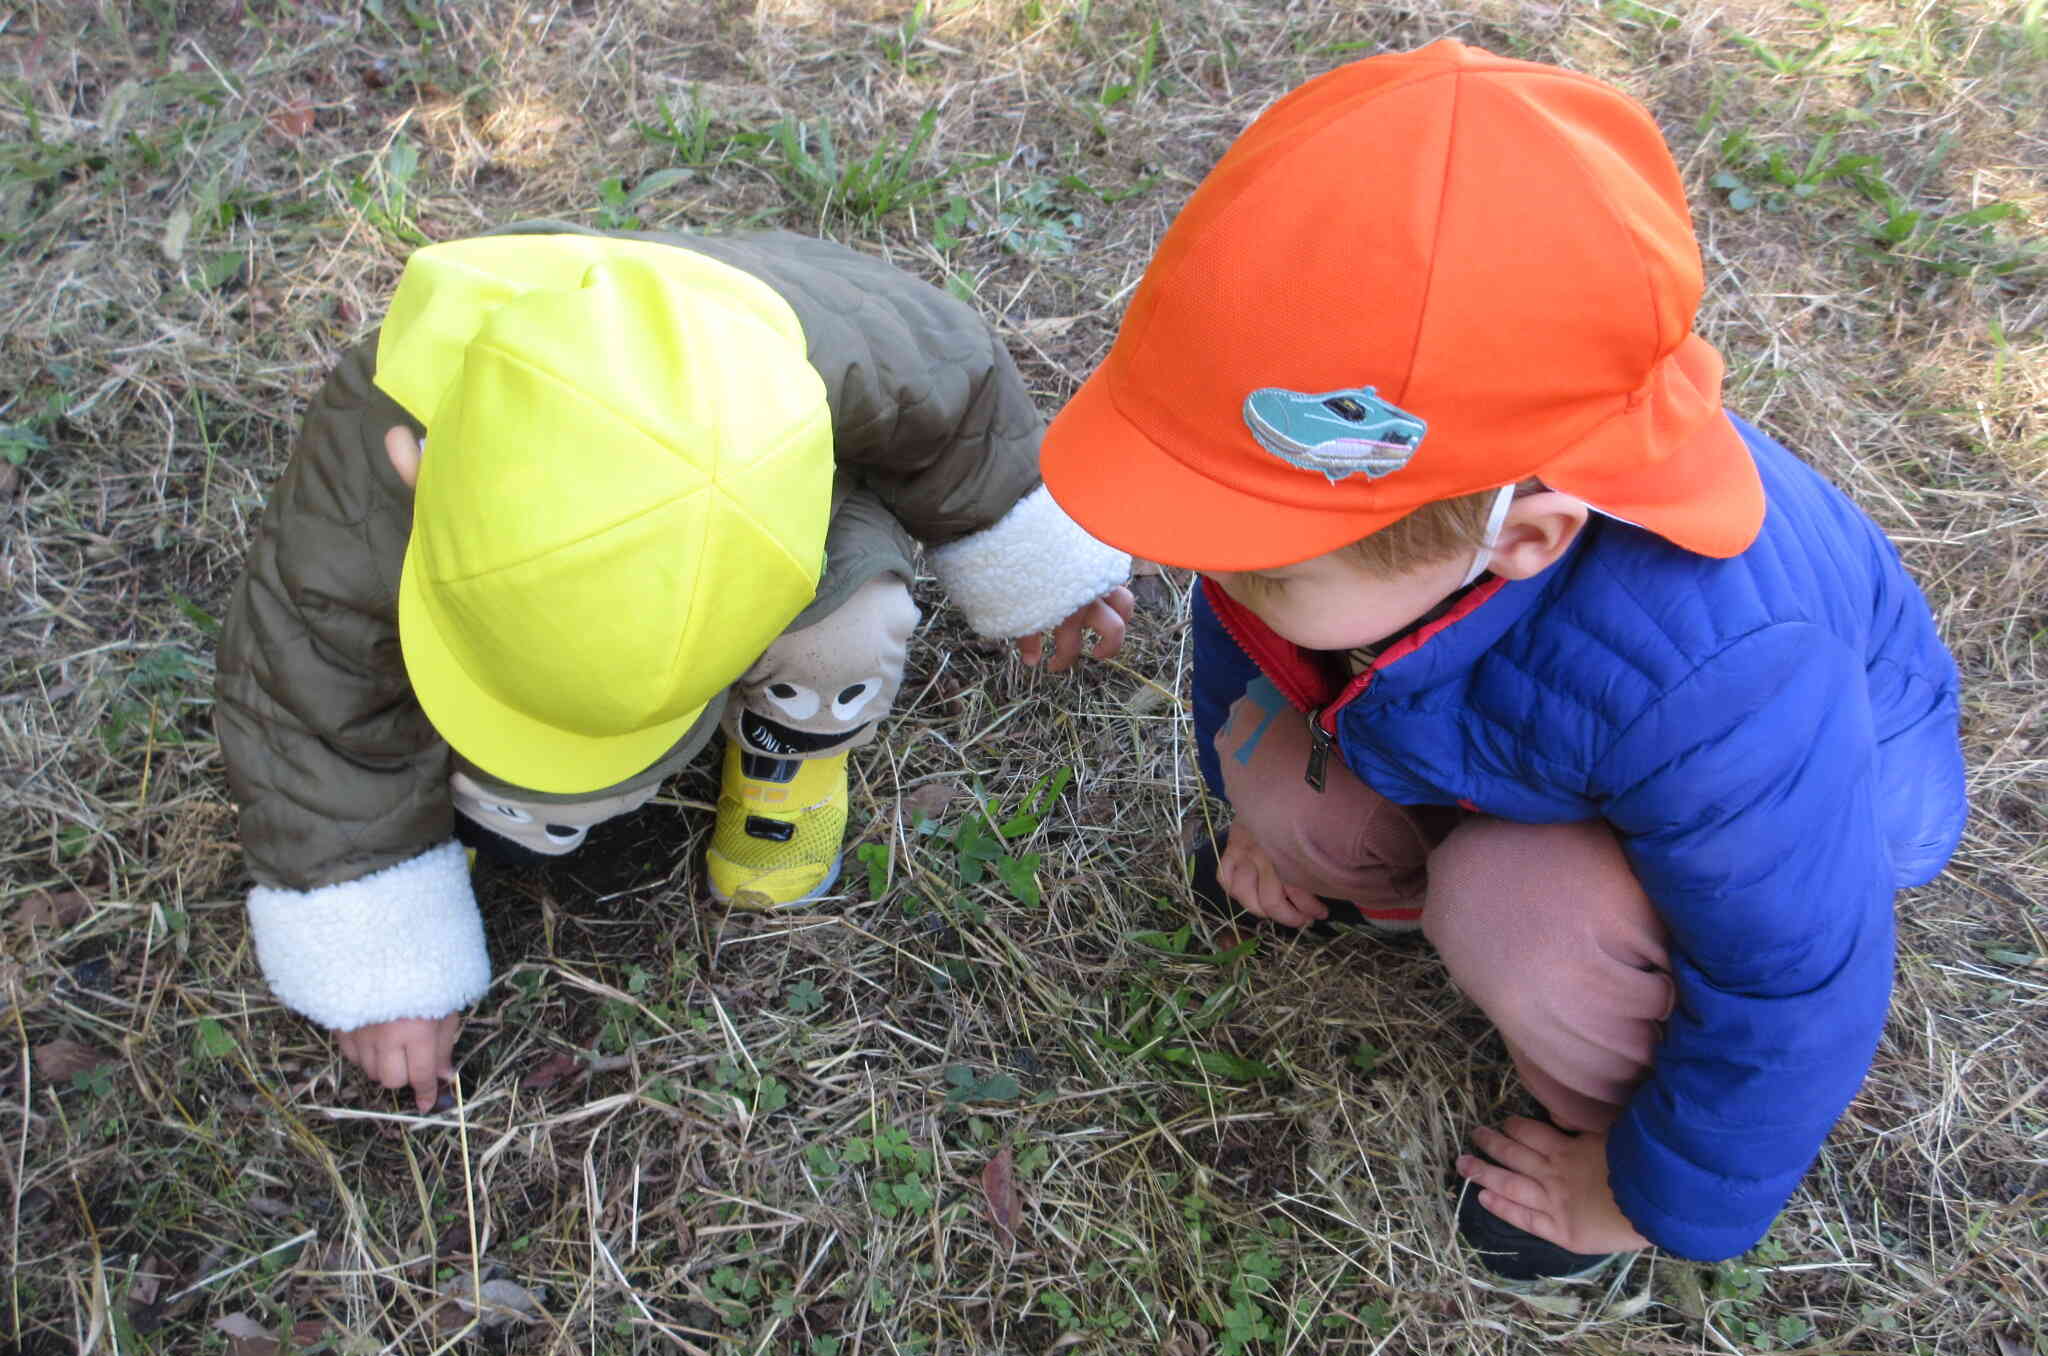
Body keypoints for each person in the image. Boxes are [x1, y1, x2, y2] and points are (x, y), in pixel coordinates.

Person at [1038, 40, 1965, 1277]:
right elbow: (1249, 633)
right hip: (1490, 705)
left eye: (1260, 553)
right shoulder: (1357, 551)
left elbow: (1794, 978)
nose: (1211, 575)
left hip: (1815, 805)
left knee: (1515, 908)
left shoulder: (1726, 665)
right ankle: (1383, 893)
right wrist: (1255, 814)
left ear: (1519, 538)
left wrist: (1647, 1195)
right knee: (1269, 763)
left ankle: (1597, 1097)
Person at [216, 224, 1133, 1112]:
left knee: (850, 629)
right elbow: (311, 704)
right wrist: (382, 958)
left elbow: (955, 406)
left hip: (762, 516)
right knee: (547, 807)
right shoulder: (369, 481)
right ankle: (524, 798)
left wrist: (1034, 562)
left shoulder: (825, 341)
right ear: (419, 473)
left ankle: (792, 753)